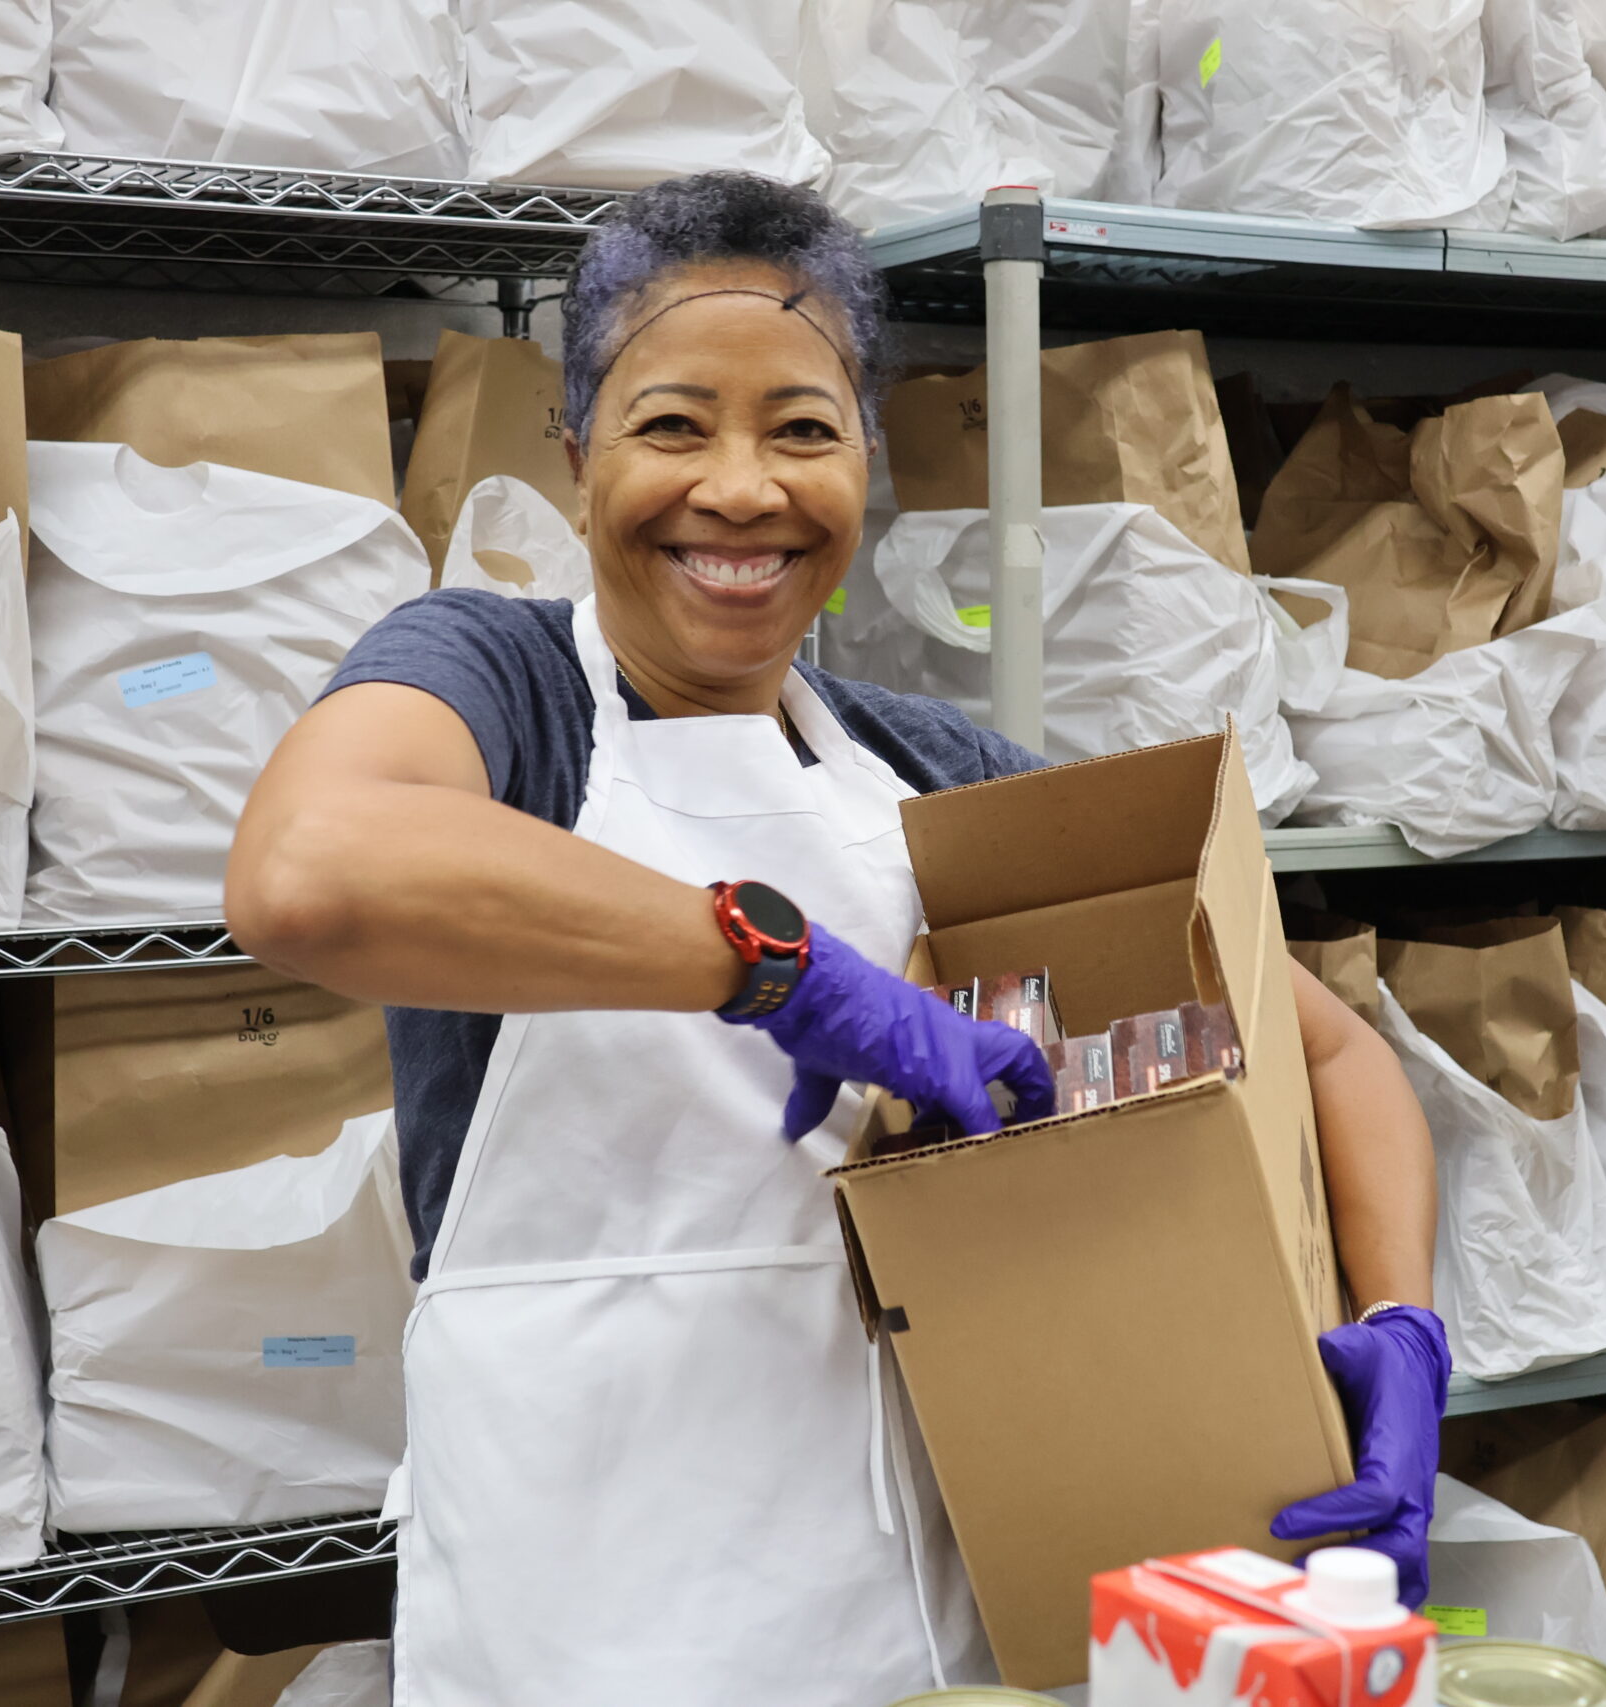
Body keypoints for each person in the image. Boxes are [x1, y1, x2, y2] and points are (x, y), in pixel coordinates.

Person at [227, 169, 1445, 1706]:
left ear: (868, 459)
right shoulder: (498, 683)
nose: (741, 490)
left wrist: (1394, 1317)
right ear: (577, 452)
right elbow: (310, 869)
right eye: (672, 425)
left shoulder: (938, 773)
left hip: (912, 1604)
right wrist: (786, 975)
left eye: (803, 430)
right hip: (577, 1605)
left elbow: (1327, 1053)